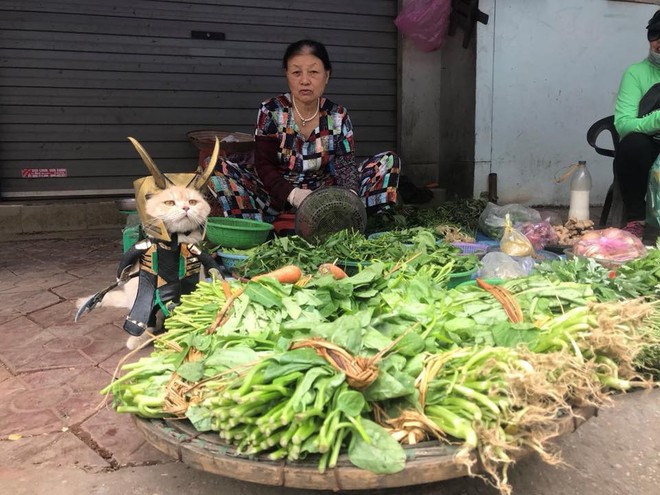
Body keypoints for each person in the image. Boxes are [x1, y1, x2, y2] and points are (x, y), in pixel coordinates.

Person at [204, 39, 401, 221]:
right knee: (215, 167)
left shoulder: (338, 115)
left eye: (313, 72)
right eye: (296, 72)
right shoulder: (272, 110)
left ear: (327, 75)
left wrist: (349, 196)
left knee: (388, 161)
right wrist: (293, 195)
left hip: (325, 199)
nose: (305, 80)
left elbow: (345, 166)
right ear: (287, 75)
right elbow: (264, 165)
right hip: (275, 197)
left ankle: (367, 224)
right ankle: (254, 228)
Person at [613, 10, 660, 238]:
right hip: (649, 147)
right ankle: (637, 218)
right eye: (656, 37)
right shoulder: (636, 73)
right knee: (632, 145)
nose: (659, 43)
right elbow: (623, 124)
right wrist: (658, 119)